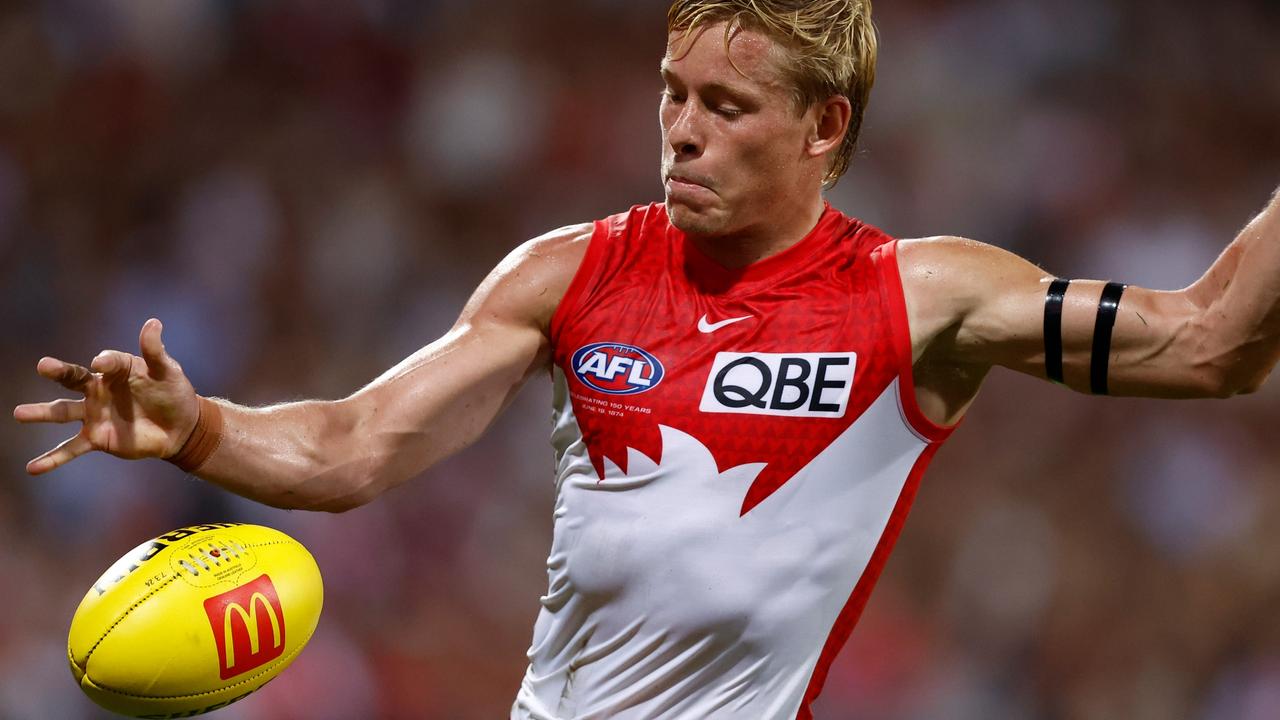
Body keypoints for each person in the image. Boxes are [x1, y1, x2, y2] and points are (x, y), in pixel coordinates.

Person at [14, 0, 1279, 717]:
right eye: (670, 92)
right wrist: (195, 427)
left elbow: (1212, 342)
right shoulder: (569, 271)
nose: (678, 131)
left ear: (824, 126)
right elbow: (352, 447)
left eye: (723, 108)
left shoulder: (923, 297)